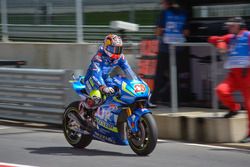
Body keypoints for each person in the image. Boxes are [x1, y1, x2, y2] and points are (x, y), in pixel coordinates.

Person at [208, 17, 250, 143]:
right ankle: (234, 108)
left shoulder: (247, 35)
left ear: (240, 25)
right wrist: (221, 42)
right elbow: (211, 39)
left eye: (232, 25)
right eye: (229, 25)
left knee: (249, 105)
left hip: (246, 73)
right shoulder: (230, 37)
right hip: (233, 75)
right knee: (221, 90)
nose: (230, 27)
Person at [82, 34, 135, 115]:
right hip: (92, 80)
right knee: (98, 97)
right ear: (108, 48)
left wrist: (134, 81)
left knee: (118, 92)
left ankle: (108, 115)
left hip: (106, 78)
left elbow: (128, 70)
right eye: (115, 49)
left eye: (119, 49)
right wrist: (103, 87)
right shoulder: (98, 58)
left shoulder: (120, 57)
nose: (117, 52)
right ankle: (85, 111)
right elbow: (96, 74)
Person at [150, 0, 189, 106]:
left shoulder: (164, 13)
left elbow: (158, 31)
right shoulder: (184, 13)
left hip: (165, 48)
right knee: (175, 75)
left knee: (159, 74)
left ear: (167, 3)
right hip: (179, 48)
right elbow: (186, 32)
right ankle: (176, 101)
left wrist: (161, 32)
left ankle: (154, 100)